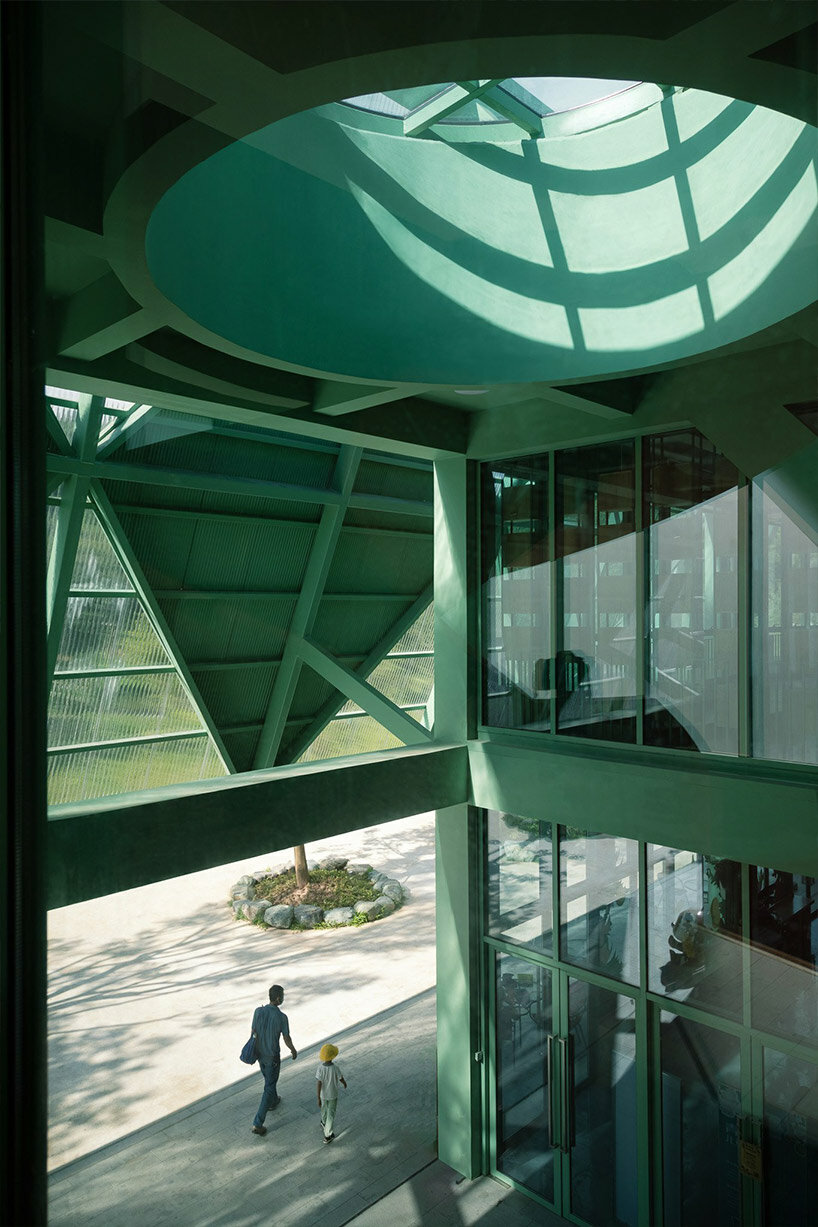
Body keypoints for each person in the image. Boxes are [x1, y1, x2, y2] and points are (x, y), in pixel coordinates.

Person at [250, 984, 297, 1136]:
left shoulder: (258, 1011)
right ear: (278, 998)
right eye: (282, 995)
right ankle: (258, 1123)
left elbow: (253, 1032)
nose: (283, 998)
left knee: (269, 1080)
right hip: (272, 1056)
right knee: (269, 1086)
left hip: (259, 1054)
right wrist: (293, 1049)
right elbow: (286, 1037)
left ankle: (274, 1100)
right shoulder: (282, 1017)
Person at [315, 1043, 347, 1144]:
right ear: (333, 1056)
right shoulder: (335, 1068)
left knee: (324, 1109)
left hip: (323, 1095)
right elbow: (340, 1078)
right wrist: (344, 1083)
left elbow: (319, 1083)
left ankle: (323, 1122)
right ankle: (327, 1135)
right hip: (333, 1095)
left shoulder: (320, 1068)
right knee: (331, 1114)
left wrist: (318, 1098)